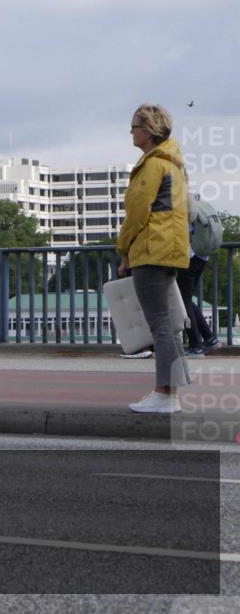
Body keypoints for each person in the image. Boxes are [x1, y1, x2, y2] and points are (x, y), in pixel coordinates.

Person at [116, 103, 191, 414]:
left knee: (159, 324)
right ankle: (169, 391)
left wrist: (123, 249)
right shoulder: (174, 163)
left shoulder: (151, 165)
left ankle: (164, 394)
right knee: (168, 325)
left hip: (151, 249)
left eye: (134, 127)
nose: (131, 133)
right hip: (171, 249)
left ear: (147, 132)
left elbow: (137, 213)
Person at [177, 202, 222, 358]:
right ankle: (209, 338)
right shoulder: (195, 201)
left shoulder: (178, 202)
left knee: (183, 302)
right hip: (202, 256)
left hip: (188, 258)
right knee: (186, 299)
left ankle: (195, 345)